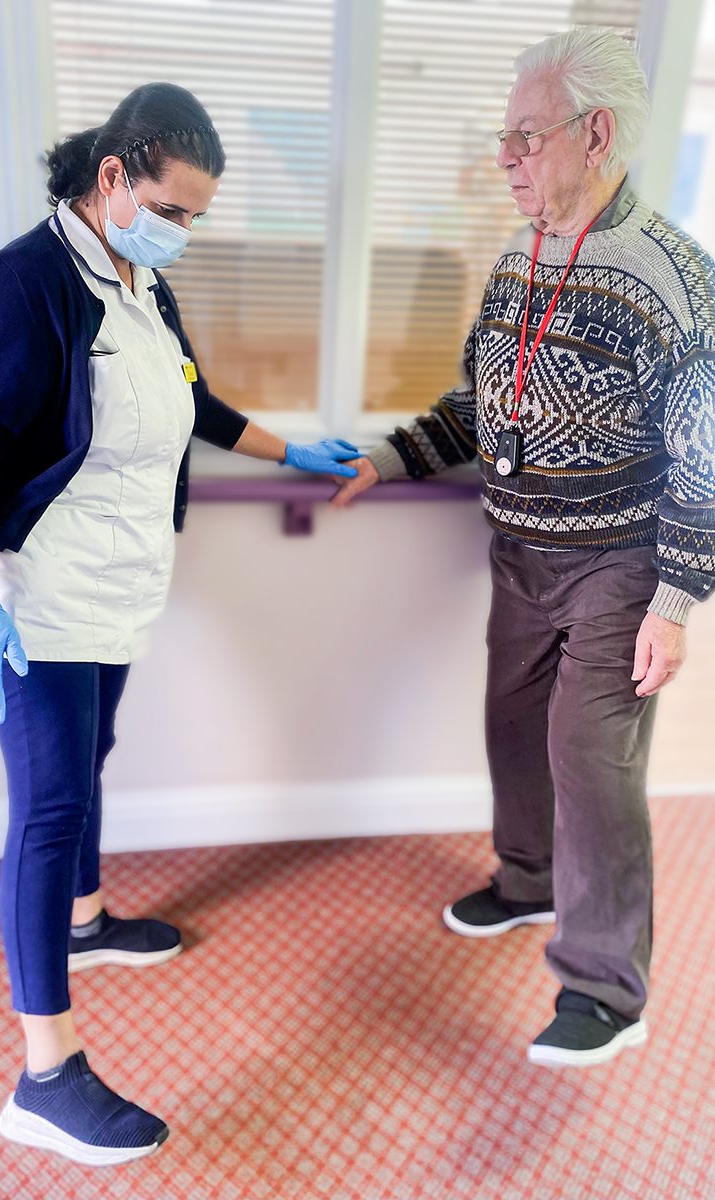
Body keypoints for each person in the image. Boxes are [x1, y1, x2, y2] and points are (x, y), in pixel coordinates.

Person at [0, 82, 358, 1166]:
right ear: (114, 176)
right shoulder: (29, 280)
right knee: (49, 805)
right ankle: (43, 1077)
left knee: (94, 761)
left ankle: (86, 919)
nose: (183, 233)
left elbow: (190, 397)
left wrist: (288, 449)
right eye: (175, 209)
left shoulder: (136, 280)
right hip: (36, 599)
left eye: (197, 218)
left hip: (120, 591)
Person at [333, 27, 715, 1067]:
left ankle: (603, 988)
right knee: (510, 730)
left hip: (617, 566)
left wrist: (673, 604)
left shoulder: (676, 277)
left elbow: (705, 459)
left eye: (521, 137)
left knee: (589, 760)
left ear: (595, 135)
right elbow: (481, 401)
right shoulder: (520, 253)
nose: (503, 158)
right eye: (502, 138)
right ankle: (527, 881)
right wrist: (392, 458)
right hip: (518, 555)